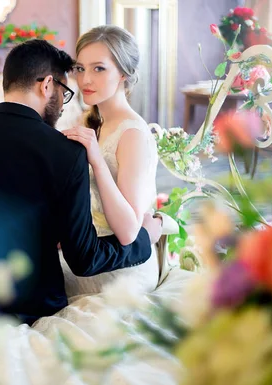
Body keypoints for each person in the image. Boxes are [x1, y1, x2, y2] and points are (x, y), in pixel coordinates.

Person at [0, 39, 162, 325]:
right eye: (64, 92)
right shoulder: (66, 151)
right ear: (47, 86)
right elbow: (85, 259)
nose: (64, 106)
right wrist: (145, 238)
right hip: (35, 306)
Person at [61, 25, 163, 295]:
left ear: (123, 74)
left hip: (121, 267)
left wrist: (96, 160)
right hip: (91, 252)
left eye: (99, 68)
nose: (85, 80)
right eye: (80, 68)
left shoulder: (132, 134)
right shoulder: (91, 122)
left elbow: (129, 232)